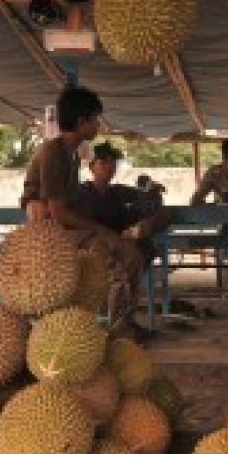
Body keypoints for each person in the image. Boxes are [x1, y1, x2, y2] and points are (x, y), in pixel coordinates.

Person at [20, 87, 147, 337]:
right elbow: (57, 213)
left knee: (132, 255)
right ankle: (118, 333)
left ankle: (122, 326)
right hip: (47, 227)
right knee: (116, 263)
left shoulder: (71, 154)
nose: (98, 125)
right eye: (95, 119)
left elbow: (68, 206)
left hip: (63, 224)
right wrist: (107, 234)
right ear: (81, 122)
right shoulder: (54, 152)